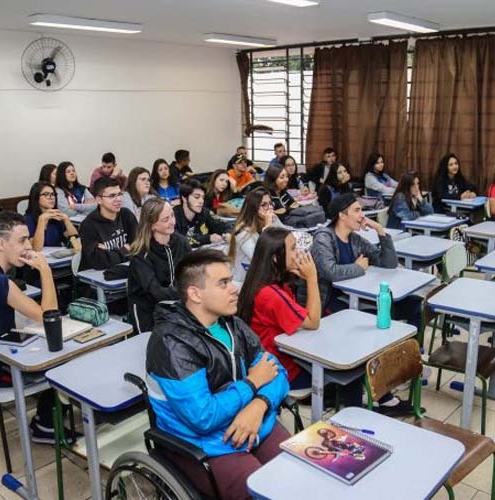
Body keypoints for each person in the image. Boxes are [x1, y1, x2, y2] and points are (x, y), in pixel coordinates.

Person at [146, 249, 290, 500]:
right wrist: (253, 382)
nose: (234, 288)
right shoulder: (171, 342)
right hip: (208, 443)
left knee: (300, 472)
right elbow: (203, 417)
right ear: (194, 293)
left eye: (231, 280)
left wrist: (259, 404)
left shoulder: (230, 323)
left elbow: (276, 371)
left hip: (254, 421)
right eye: (223, 283)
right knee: (262, 492)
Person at [0, 211, 78, 443]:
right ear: (2, 244)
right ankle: (46, 425)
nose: (29, 246)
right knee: (68, 359)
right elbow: (49, 316)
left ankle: (47, 417)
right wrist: (45, 271)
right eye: (22, 240)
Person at [308, 193, 418, 413]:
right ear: (342, 215)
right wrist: (359, 268)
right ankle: (370, 398)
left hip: (354, 299)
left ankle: (393, 374)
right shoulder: (324, 238)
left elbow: (388, 263)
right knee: (369, 326)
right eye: (357, 210)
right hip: (327, 303)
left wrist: (380, 231)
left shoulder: (355, 238)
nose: (362, 216)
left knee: (413, 305)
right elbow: (329, 272)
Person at [238, 226, 320, 390]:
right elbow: (313, 322)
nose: (298, 252)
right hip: (280, 369)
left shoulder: (262, 281)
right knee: (337, 379)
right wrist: (312, 278)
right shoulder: (270, 294)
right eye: (293, 248)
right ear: (276, 258)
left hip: (272, 359)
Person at [126, 198, 190, 332]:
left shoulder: (182, 243)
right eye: (165, 219)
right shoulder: (140, 254)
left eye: (172, 215)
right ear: (152, 225)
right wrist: (188, 292)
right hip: (148, 311)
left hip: (177, 306)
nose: (172, 222)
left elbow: (192, 274)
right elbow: (157, 292)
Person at [78, 176, 138, 271]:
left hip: (124, 270)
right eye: (112, 196)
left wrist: (109, 253)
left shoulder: (126, 215)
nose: (118, 199)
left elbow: (138, 247)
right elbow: (99, 262)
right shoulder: (88, 225)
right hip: (94, 280)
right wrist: (125, 249)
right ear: (99, 200)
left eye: (119, 194)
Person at [228, 188, 278, 281]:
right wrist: (268, 227)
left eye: (270, 203)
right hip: (244, 281)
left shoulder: (271, 220)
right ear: (253, 208)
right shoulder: (242, 231)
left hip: (265, 275)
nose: (270, 208)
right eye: (264, 205)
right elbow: (260, 258)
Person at [173, 178, 232, 248]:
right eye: (197, 197)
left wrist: (228, 233)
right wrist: (208, 238)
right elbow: (178, 241)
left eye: (203, 197)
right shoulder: (172, 216)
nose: (201, 201)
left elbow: (224, 225)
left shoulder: (205, 212)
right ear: (184, 198)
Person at [24, 182, 80, 252]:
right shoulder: (27, 219)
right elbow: (36, 248)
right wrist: (42, 221)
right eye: (46, 194)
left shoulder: (55, 217)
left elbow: (76, 242)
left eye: (53, 194)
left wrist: (66, 220)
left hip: (58, 259)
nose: (51, 197)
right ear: (36, 197)